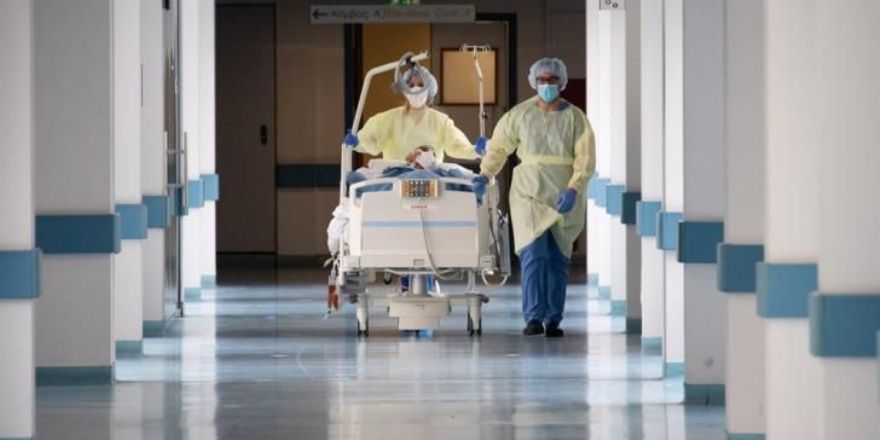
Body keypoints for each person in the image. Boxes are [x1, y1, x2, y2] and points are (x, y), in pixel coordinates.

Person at [473, 58, 596, 337]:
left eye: (552, 80)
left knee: (558, 257)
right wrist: (484, 174)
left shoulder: (576, 118)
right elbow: (499, 147)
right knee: (534, 254)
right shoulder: (520, 115)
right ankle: (533, 317)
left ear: (562, 82)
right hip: (528, 192)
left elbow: (585, 158)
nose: (547, 85)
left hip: (563, 192)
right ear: (534, 82)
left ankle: (553, 319)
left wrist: (574, 187)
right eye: (542, 80)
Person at [343, 55, 487, 162]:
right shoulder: (389, 119)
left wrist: (474, 150)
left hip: (431, 181)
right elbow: (372, 140)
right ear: (404, 90)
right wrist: (357, 142)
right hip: (396, 180)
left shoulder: (441, 121)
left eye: (421, 85)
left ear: (429, 89)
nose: (416, 89)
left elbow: (456, 145)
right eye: (411, 85)